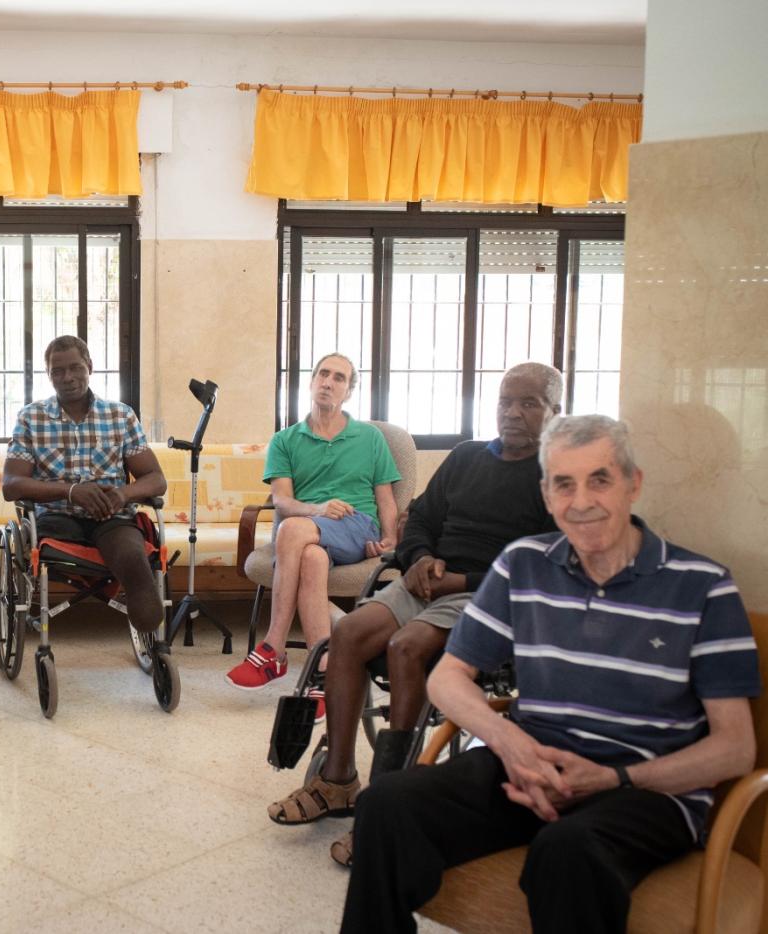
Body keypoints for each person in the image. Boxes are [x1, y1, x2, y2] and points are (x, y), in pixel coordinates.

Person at [341, 415, 760, 934]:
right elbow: (448, 677)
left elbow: (736, 748)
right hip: (529, 766)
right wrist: (512, 745)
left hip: (644, 788)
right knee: (386, 805)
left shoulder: (703, 587)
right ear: (546, 494)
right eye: (564, 484)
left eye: (599, 479)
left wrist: (613, 778)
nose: (581, 501)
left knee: (568, 850)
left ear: (633, 483)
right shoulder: (523, 564)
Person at [265, 362, 562, 854]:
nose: (512, 413)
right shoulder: (467, 457)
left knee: (405, 647)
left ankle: (389, 802)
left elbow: (544, 563)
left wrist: (460, 581)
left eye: (529, 403)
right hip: (425, 581)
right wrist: (420, 557)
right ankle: (338, 780)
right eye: (505, 401)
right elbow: (420, 516)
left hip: (488, 594)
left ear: (556, 411)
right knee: (348, 634)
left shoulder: (556, 477)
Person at [226, 353, 400, 691]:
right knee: (311, 558)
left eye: (339, 378)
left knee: (290, 528)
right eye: (323, 374)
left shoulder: (370, 438)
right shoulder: (285, 440)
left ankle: (273, 645)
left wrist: (390, 537)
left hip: (356, 524)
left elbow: (385, 498)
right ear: (311, 382)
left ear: (348, 392)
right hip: (312, 529)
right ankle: (323, 671)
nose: (328, 382)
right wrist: (318, 509)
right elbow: (282, 501)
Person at [1, 335, 167, 636]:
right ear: (49, 375)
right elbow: (11, 484)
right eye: (58, 371)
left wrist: (123, 494)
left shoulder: (121, 416)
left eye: (75, 367)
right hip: (57, 518)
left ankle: (146, 610)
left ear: (89, 366)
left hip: (111, 516)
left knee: (132, 555)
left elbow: (156, 479)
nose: (68, 377)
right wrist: (70, 491)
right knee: (57, 534)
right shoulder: (31, 418)